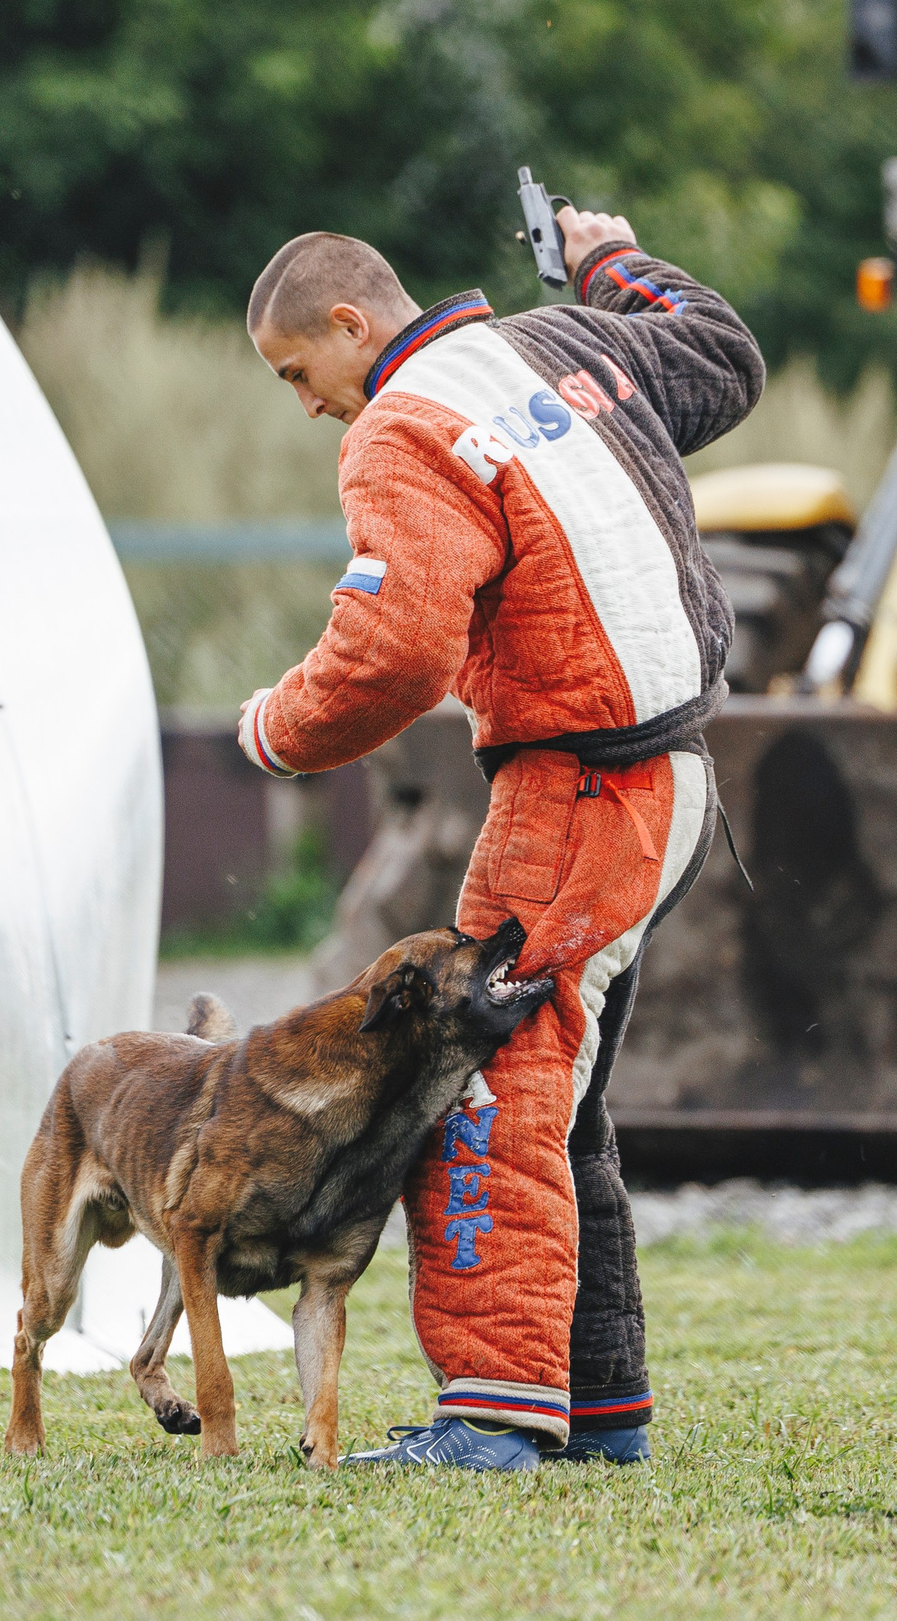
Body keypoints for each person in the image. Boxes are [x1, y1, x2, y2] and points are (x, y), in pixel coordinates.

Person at [235, 207, 763, 1470]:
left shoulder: (400, 428)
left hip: (582, 790)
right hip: (677, 774)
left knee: (479, 1081)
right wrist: (607, 262)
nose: (308, 407)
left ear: (351, 327)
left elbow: (394, 648)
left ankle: (492, 1416)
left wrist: (272, 732)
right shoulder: (561, 343)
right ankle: (598, 1411)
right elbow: (721, 354)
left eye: (298, 373)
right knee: (560, 1104)